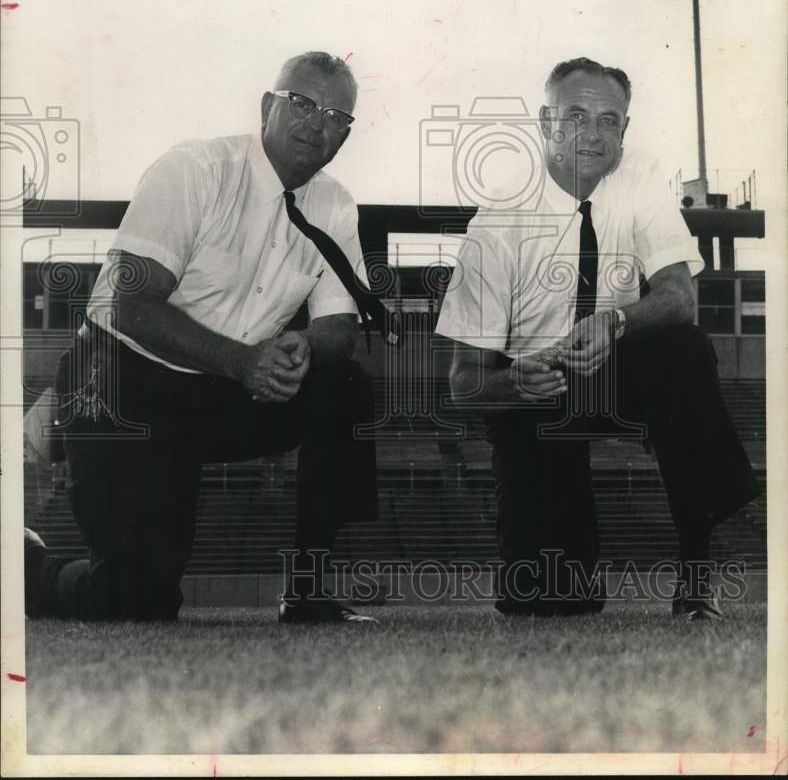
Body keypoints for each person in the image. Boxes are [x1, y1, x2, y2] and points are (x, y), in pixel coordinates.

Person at [25, 51, 380, 624]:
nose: (317, 123)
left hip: (219, 389)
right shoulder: (194, 169)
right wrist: (242, 362)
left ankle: (309, 590)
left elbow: (340, 326)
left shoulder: (334, 203)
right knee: (135, 599)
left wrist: (305, 347)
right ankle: (21, 562)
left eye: (337, 115)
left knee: (343, 386)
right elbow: (132, 305)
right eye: (303, 103)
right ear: (267, 106)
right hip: (121, 382)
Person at [436, 57, 759, 620]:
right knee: (549, 600)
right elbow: (464, 385)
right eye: (576, 116)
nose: (593, 133)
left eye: (609, 120)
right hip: (535, 392)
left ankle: (695, 579)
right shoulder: (497, 223)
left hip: (618, 365)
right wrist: (515, 381)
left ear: (625, 130)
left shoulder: (638, 176)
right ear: (546, 122)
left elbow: (680, 297)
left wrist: (616, 321)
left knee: (682, 348)